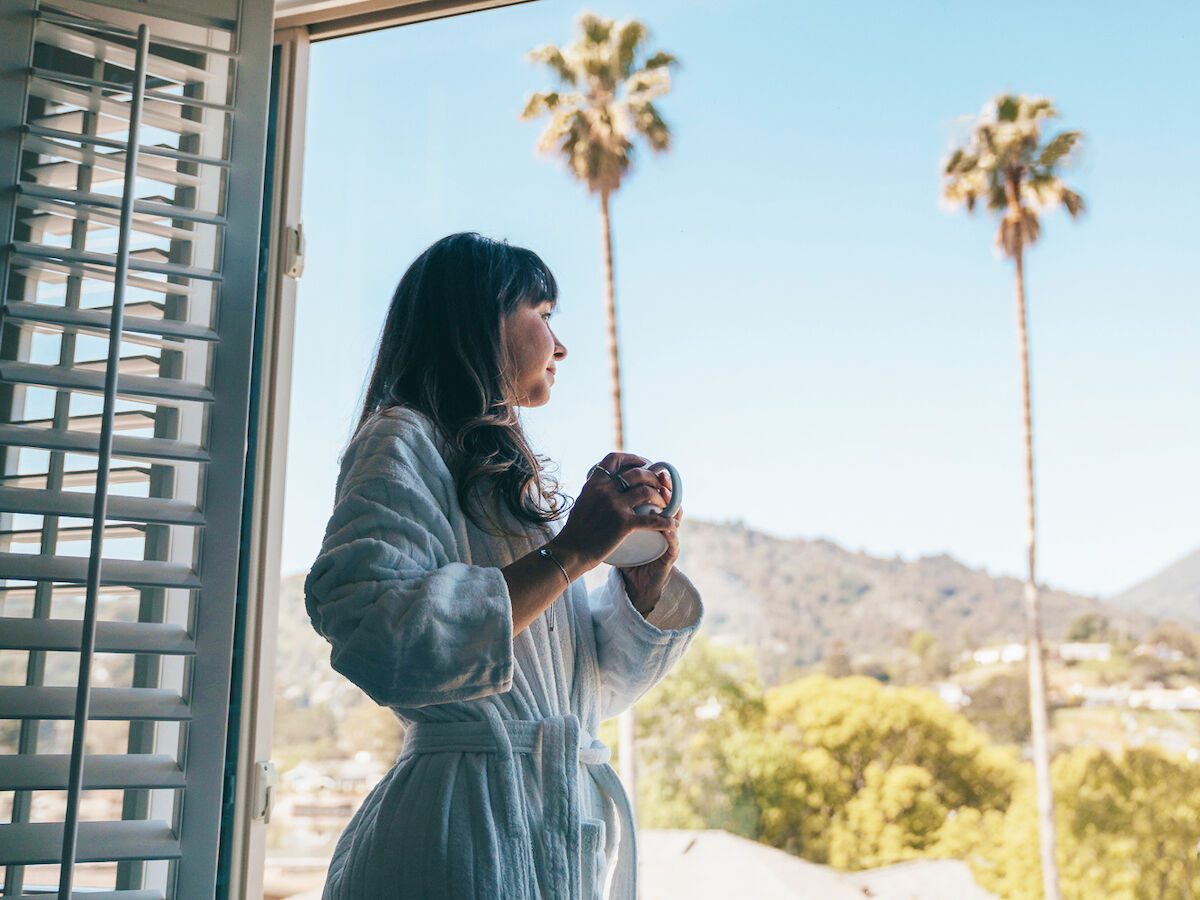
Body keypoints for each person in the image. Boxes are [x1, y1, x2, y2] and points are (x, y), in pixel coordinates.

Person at [304, 232, 703, 899]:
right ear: (481, 319)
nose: (560, 343)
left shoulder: (510, 491)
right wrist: (572, 551)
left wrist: (639, 581)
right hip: (457, 834)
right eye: (543, 315)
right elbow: (377, 630)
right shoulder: (399, 438)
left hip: (550, 821)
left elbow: (586, 694)